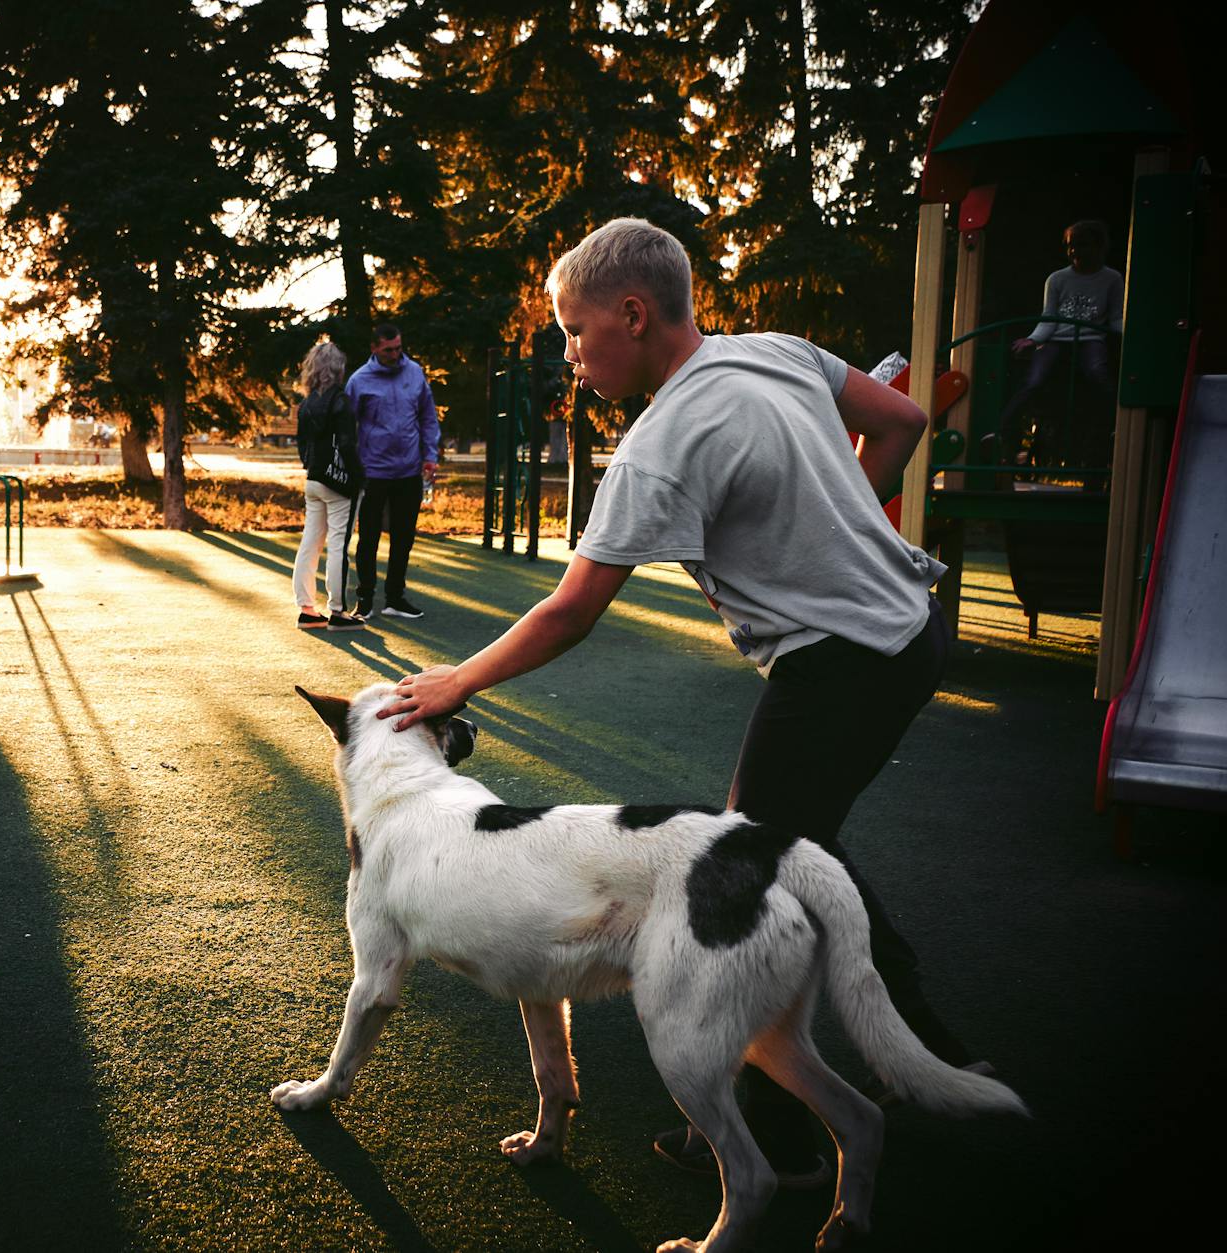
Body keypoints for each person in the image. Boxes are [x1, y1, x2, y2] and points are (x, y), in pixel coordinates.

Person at [380, 218, 981, 1186]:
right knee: (802, 848)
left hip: (844, 659)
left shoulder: (658, 444)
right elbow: (902, 421)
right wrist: (841, 519)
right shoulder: (774, 351)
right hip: (910, 625)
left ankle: (779, 1135)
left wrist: (455, 682)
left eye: (575, 331)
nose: (569, 353)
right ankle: (922, 1051)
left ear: (630, 311)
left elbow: (571, 610)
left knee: (755, 861)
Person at [986, 219, 1123, 470]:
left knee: (1098, 373)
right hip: (1056, 339)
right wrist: (1033, 339)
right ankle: (1002, 429)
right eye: (1071, 246)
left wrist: (1125, 333)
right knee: (1034, 380)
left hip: (1090, 337)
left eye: (1082, 245)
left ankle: (1119, 425)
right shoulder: (1058, 279)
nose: (1075, 252)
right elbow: (1048, 317)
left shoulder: (1111, 279)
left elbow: (1115, 317)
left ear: (1099, 247)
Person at [345, 323, 439, 620]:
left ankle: (395, 598)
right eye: (389, 350)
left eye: (399, 348)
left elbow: (427, 416)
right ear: (374, 348)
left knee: (403, 538)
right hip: (373, 472)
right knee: (369, 538)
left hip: (409, 471)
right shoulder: (359, 380)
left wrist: (430, 455)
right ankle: (364, 599)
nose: (396, 354)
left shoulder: (414, 372)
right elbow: (347, 428)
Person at [293, 340, 367, 631]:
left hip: (313, 479)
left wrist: (311, 468)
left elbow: (302, 446)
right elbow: (348, 445)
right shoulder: (341, 401)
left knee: (310, 543)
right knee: (338, 545)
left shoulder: (306, 404)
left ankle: (307, 609)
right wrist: (359, 479)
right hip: (339, 483)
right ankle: (337, 611)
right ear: (338, 369)